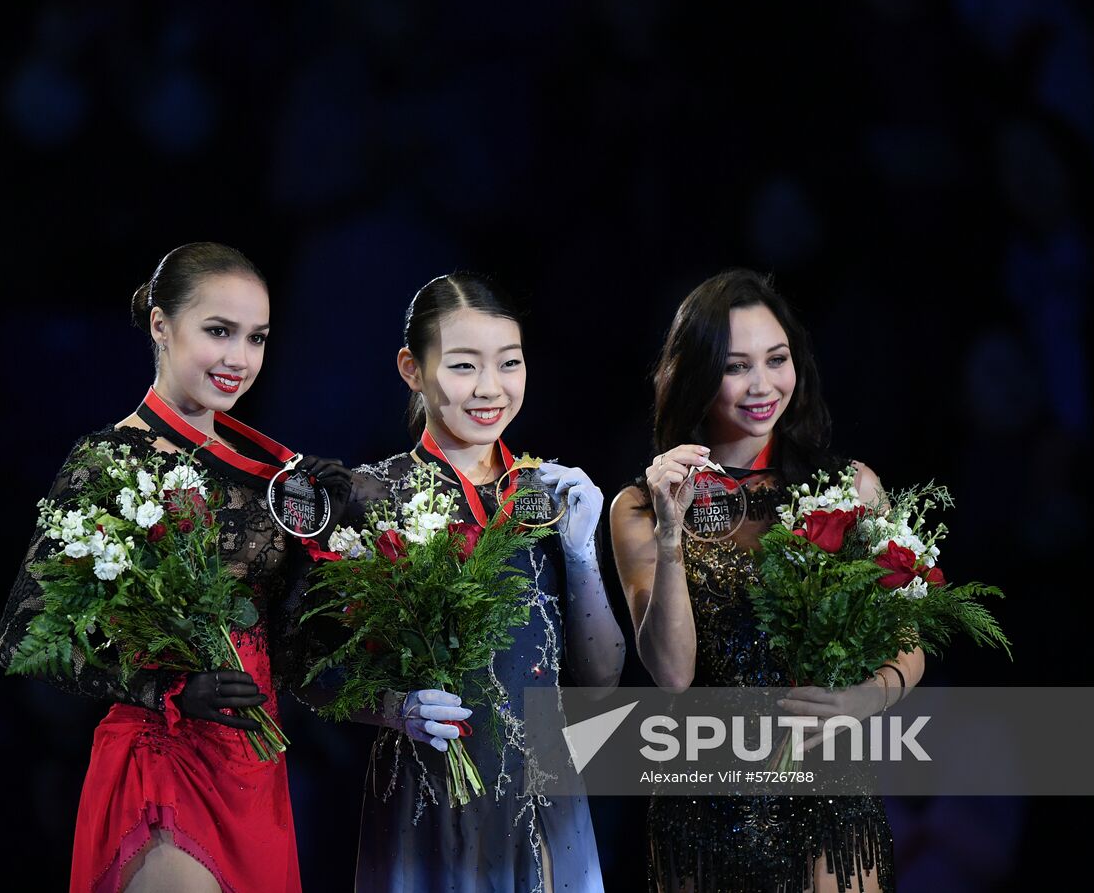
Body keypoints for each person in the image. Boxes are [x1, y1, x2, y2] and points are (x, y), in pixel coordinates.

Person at [0, 242, 352, 893]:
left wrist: (346, 581)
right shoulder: (108, 462)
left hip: (255, 782)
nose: (238, 357)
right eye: (218, 331)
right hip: (160, 764)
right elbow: (22, 639)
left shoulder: (276, 474)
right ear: (161, 324)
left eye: (256, 337)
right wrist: (168, 689)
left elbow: (295, 655)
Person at [609, 268, 924, 893]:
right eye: (736, 367)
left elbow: (908, 641)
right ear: (697, 375)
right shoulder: (640, 508)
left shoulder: (850, 488)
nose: (763, 386)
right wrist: (672, 531)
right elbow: (672, 674)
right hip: (704, 800)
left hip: (829, 791)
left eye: (776, 360)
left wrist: (867, 699)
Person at [324, 272, 624, 892]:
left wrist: (585, 557)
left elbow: (601, 678)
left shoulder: (550, 495)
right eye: (463, 366)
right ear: (412, 368)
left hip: (542, 790)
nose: (491, 389)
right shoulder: (372, 496)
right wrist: (395, 710)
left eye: (509, 364)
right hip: (426, 792)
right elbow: (316, 669)